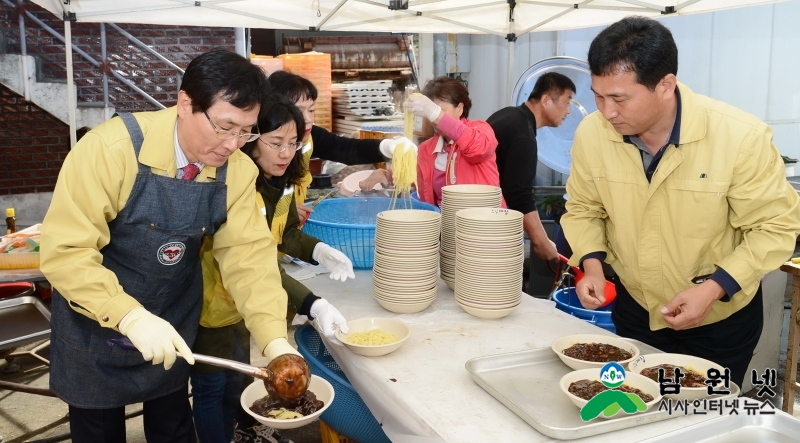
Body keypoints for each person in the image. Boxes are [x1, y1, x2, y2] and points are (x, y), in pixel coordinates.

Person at [39, 49, 302, 442]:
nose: (233, 145)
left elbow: (249, 259)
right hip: (95, 322)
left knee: (173, 428)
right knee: (98, 431)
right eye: (224, 127)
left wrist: (274, 338)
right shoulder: (110, 151)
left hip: (171, 324)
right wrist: (129, 316)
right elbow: (66, 252)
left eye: (246, 132)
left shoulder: (238, 173)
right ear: (185, 103)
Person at [560, 16, 800, 387]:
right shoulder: (593, 135)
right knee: (635, 407)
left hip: (718, 321)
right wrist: (592, 265)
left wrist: (715, 286)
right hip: (637, 311)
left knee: (702, 418)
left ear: (665, 85)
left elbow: (775, 227)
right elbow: (585, 209)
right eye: (598, 95)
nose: (606, 111)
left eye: (619, 98)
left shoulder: (739, 138)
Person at [191, 97, 353, 443]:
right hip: (214, 299)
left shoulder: (282, 182)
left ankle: (239, 431)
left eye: (293, 144)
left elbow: (286, 234)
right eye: (276, 143)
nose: (285, 153)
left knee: (236, 379)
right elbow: (254, 263)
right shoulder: (239, 186)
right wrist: (311, 303)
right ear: (251, 139)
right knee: (210, 385)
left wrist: (319, 250)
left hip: (248, 306)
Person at [267, 71, 416, 222]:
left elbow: (346, 150)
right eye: (299, 111)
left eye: (311, 110)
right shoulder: (263, 151)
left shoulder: (311, 136)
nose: (308, 119)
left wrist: (387, 147)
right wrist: (284, 211)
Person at [360, 76, 501, 207]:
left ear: (459, 108)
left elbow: (476, 148)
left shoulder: (480, 130)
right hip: (446, 228)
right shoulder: (428, 149)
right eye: (429, 112)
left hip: (484, 225)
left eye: (440, 110)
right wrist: (386, 174)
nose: (433, 119)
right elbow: (411, 172)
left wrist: (435, 113)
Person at [486, 72, 576, 261]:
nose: (569, 111)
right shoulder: (523, 136)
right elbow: (520, 196)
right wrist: (541, 242)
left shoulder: (509, 114)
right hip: (487, 223)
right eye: (567, 102)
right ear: (545, 100)